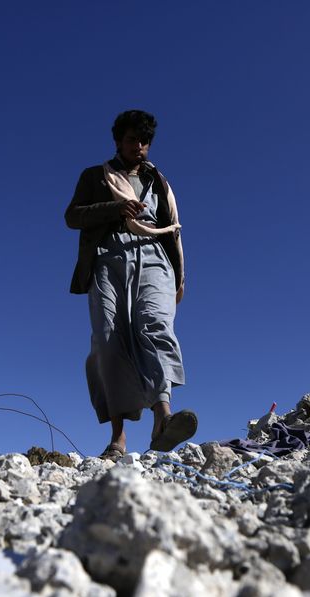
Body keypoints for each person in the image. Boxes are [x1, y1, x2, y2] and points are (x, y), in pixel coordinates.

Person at [64, 109, 197, 460]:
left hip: (153, 256)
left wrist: (179, 275)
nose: (139, 146)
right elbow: (72, 216)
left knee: (155, 324)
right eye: (132, 139)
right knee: (109, 338)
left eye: (144, 141)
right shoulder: (95, 175)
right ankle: (118, 438)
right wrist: (114, 208)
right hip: (108, 256)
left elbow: (172, 230)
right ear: (118, 141)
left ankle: (163, 417)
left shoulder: (159, 182)